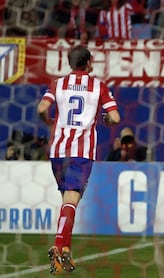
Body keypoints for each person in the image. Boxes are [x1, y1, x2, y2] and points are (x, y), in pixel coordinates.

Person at [37, 45, 120, 274]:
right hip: (81, 152)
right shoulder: (98, 86)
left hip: (58, 151)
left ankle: (66, 251)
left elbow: (42, 107)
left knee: (67, 200)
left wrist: (48, 122)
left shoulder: (58, 83)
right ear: (89, 62)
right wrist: (106, 119)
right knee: (71, 201)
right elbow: (115, 116)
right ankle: (58, 245)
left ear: (70, 63)